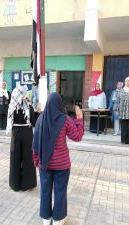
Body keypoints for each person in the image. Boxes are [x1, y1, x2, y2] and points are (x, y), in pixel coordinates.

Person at [32, 93, 84, 225]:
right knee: (60, 191)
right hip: (62, 165)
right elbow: (77, 136)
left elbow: (35, 143)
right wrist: (79, 118)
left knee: (45, 191)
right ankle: (58, 219)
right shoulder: (65, 119)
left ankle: (46, 218)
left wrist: (36, 160)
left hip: (45, 163)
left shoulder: (41, 119)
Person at [7, 85, 37, 192]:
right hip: (27, 134)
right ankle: (27, 185)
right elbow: (34, 122)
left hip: (15, 134)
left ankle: (15, 185)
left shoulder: (11, 106)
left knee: (15, 159)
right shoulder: (28, 107)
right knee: (28, 159)